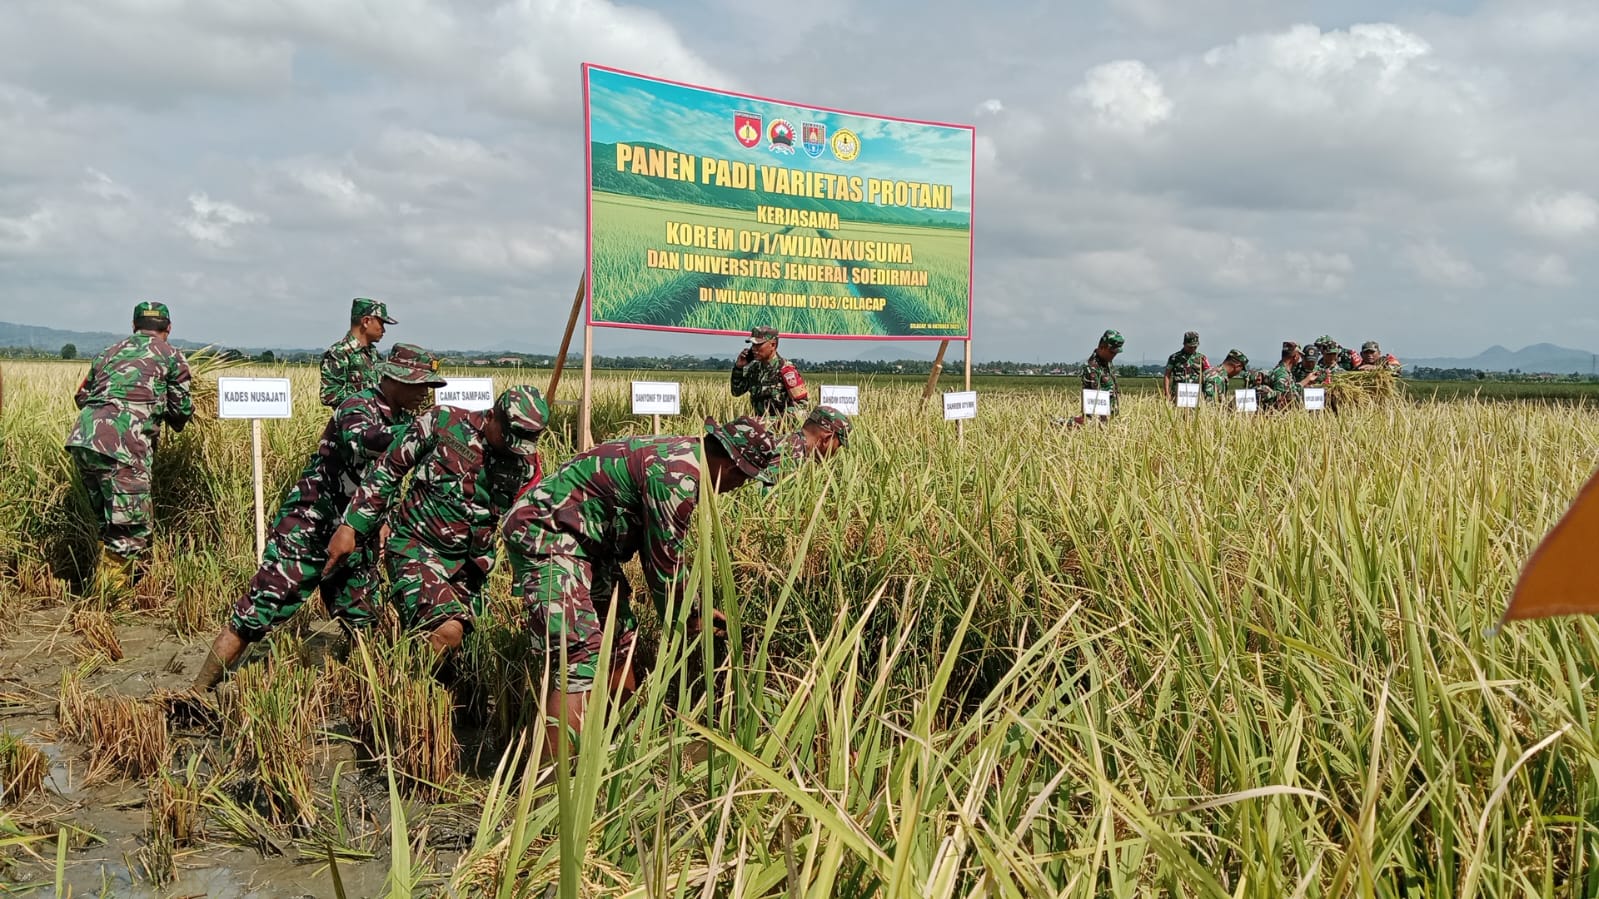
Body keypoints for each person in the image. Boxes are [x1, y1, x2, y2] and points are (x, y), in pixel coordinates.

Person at [500, 417, 781, 756]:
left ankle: (615, 752)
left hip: (588, 545)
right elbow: (664, 566)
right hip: (546, 532)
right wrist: (691, 618)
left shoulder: (685, 457)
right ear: (732, 466)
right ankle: (551, 781)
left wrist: (694, 610)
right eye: (745, 477)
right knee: (578, 653)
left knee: (619, 636)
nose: (739, 486)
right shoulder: (676, 479)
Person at [190, 344, 447, 692]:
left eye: (430, 386)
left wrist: (385, 519)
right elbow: (364, 441)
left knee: (364, 619)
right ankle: (197, 690)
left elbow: (385, 479)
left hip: (357, 536)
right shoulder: (357, 406)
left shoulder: (403, 420)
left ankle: (362, 691)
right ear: (396, 379)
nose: (425, 393)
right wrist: (421, 432)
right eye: (420, 384)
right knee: (257, 611)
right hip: (309, 529)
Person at [322, 386, 550, 658]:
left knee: (464, 658)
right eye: (508, 439)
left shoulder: (526, 464)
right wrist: (351, 526)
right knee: (447, 633)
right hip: (416, 549)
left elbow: (525, 525)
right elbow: (389, 470)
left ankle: (409, 670)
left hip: (471, 568)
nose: (514, 451)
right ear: (490, 417)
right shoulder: (443, 422)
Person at [65, 301, 193, 592]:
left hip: (84, 441)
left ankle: (103, 588)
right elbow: (181, 409)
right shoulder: (172, 356)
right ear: (168, 328)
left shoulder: (108, 352)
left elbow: (82, 396)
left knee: (108, 524)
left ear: (134, 326)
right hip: (124, 447)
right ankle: (109, 601)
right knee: (128, 531)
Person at [320, 297, 397, 408]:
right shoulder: (339, 353)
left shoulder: (373, 353)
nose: (384, 330)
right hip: (353, 418)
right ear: (366, 321)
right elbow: (329, 396)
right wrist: (370, 397)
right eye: (381, 324)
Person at [731, 326, 808, 417]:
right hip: (758, 424)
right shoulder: (754, 368)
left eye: (758, 345)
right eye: (753, 344)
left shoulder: (786, 370)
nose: (754, 348)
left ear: (773, 345)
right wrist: (739, 367)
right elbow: (736, 392)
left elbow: (801, 405)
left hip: (779, 425)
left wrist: (774, 421)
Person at [771, 405, 852, 475]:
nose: (835, 452)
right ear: (827, 438)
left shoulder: (791, 443)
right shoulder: (789, 458)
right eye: (838, 445)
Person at [1081, 329, 1124, 418]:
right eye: (1111, 352)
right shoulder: (1091, 368)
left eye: (1116, 353)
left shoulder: (1107, 363)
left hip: (1111, 418)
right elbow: (1095, 403)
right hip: (1099, 421)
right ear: (1102, 347)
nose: (1114, 355)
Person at [1162, 331, 1208, 403]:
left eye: (1195, 347)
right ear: (1184, 344)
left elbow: (1208, 375)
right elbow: (1167, 375)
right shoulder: (1174, 358)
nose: (1193, 349)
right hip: (1177, 396)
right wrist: (1167, 393)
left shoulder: (1202, 358)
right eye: (1190, 347)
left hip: (1195, 396)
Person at [1255, 341, 1302, 411]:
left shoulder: (1281, 370)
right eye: (1299, 356)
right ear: (1296, 356)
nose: (1299, 359)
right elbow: (1281, 400)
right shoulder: (1282, 374)